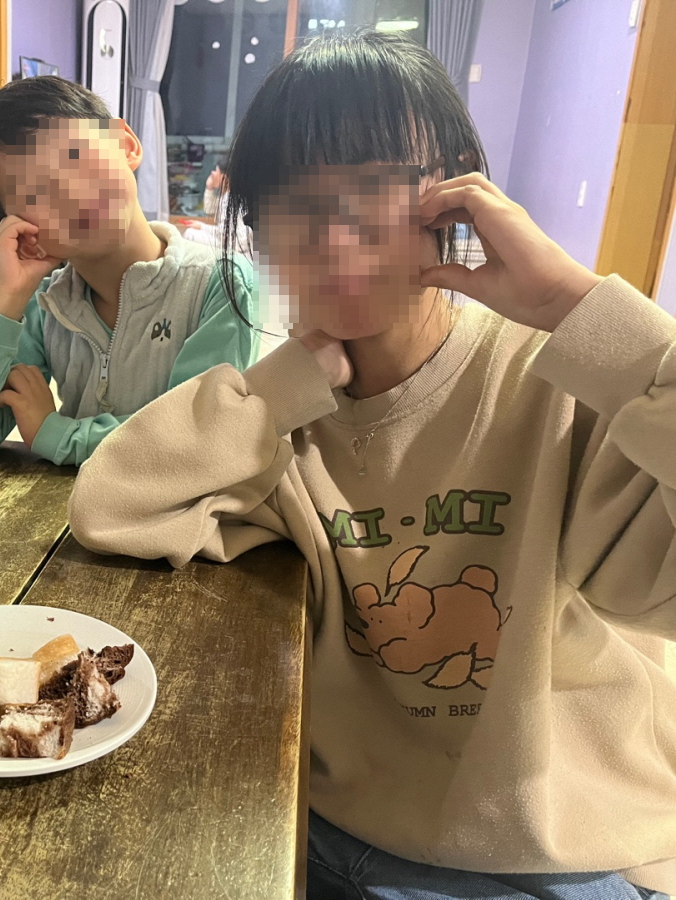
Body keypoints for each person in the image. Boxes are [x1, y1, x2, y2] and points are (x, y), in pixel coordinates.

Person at [68, 31, 676, 899]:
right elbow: (110, 506)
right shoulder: (282, 416)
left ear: (457, 191)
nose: (334, 234)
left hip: (544, 853)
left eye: (376, 187)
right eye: (292, 204)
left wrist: (576, 308)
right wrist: (286, 386)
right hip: (322, 823)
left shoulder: (556, 383)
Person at [0, 76, 257, 466]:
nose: (71, 192)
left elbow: (195, 435)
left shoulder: (220, 284)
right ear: (20, 230)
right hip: (73, 502)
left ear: (126, 144)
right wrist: (7, 301)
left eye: (75, 154)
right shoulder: (48, 305)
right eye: (36, 192)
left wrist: (56, 433)